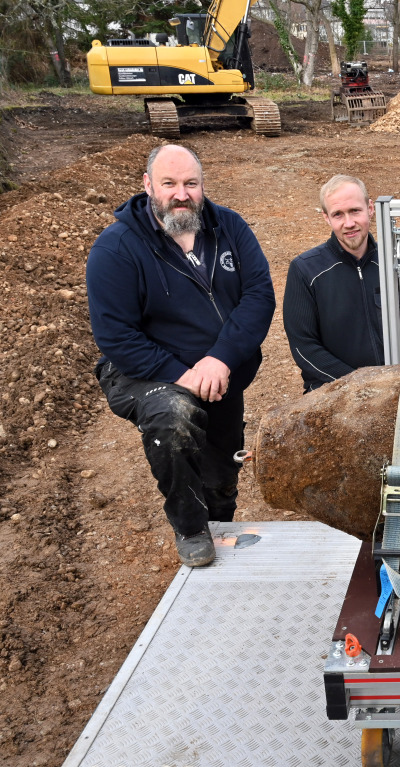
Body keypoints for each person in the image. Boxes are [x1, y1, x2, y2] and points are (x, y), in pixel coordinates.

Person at [86, 145, 275, 567]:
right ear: (148, 185)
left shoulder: (229, 227)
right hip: (145, 371)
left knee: (223, 470)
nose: (181, 194)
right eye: (169, 184)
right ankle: (191, 528)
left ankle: (218, 522)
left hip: (219, 372)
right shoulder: (116, 248)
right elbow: (115, 334)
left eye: (191, 183)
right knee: (173, 420)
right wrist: (182, 374)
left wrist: (220, 359)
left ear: (202, 184)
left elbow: (259, 295)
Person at [283, 175, 400, 392]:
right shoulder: (305, 270)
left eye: (355, 211)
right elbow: (303, 346)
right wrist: (357, 385)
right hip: (331, 392)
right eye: (338, 214)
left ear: (370, 208)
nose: (348, 223)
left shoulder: (396, 264)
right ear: (326, 218)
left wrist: (397, 377)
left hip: (391, 388)